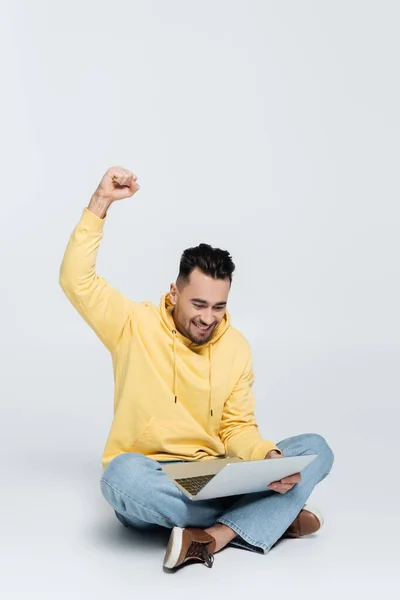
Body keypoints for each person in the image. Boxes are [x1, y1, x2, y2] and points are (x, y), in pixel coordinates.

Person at [59, 166, 334, 571]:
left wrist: (268, 456)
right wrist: (100, 203)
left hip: (215, 474)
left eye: (219, 307)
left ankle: (211, 537)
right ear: (175, 292)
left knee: (316, 449)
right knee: (119, 478)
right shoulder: (132, 324)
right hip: (154, 477)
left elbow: (236, 427)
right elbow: (75, 280)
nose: (209, 318)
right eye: (199, 305)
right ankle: (264, 517)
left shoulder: (235, 347)